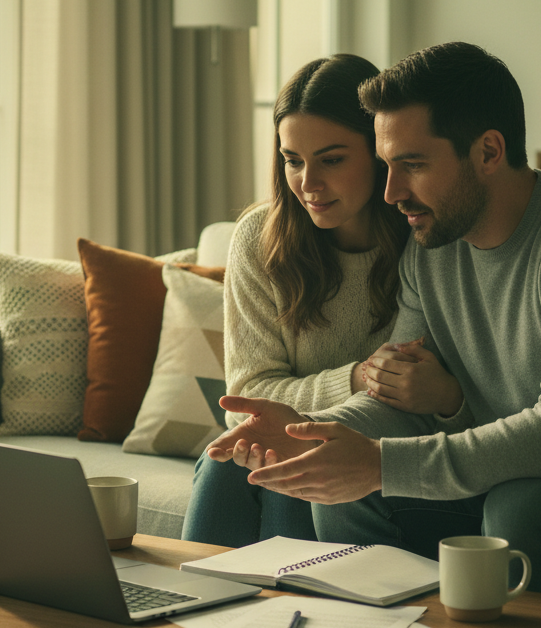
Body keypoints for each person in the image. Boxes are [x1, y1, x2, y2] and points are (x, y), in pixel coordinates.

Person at [206, 41, 541, 597]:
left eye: (412, 165)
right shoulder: (431, 243)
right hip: (520, 475)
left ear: (488, 151)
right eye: (388, 166)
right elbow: (390, 401)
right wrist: (309, 434)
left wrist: (381, 463)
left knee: (523, 509)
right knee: (352, 489)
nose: (391, 193)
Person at [181, 54, 457, 548]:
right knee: (227, 461)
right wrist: (355, 377)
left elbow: (409, 394)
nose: (308, 183)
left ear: (379, 153)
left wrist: (308, 422)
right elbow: (247, 399)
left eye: (332, 159)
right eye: (292, 161)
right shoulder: (257, 239)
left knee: (296, 465)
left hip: (384, 458)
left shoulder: (426, 241)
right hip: (302, 444)